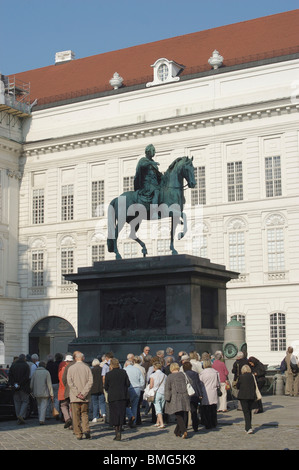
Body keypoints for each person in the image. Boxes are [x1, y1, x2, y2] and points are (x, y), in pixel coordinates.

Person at [67, 351, 93, 440]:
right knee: (84, 413)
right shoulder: (87, 368)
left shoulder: (71, 368)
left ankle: (78, 433)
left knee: (75, 415)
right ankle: (86, 429)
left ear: (75, 358)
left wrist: (77, 393)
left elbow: (69, 382)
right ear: (83, 358)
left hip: (75, 397)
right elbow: (90, 381)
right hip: (84, 397)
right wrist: (83, 393)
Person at [104, 358, 131, 441]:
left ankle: (116, 431)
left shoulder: (109, 374)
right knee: (121, 413)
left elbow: (106, 387)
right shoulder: (123, 372)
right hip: (122, 396)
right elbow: (128, 384)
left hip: (113, 396)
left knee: (114, 414)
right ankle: (120, 428)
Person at [164, 362, 190, 438]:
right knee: (182, 413)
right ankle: (177, 431)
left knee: (178, 415)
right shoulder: (183, 375)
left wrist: (167, 398)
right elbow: (190, 382)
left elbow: (167, 388)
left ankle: (184, 430)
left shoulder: (170, 377)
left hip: (175, 397)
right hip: (184, 396)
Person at [8, 353, 31, 424]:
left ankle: (18, 417)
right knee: (25, 401)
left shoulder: (13, 365)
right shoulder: (26, 365)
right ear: (24, 359)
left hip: (15, 387)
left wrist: (14, 384)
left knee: (17, 402)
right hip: (24, 387)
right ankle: (21, 416)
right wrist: (20, 384)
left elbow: (10, 376)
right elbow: (26, 377)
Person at [30, 361, 54, 425]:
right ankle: (41, 419)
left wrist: (31, 390)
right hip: (44, 392)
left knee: (39, 406)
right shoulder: (46, 372)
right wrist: (51, 393)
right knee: (43, 406)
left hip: (36, 392)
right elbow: (49, 384)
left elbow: (31, 383)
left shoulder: (35, 373)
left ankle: (40, 418)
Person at [199, 359, 220, 430]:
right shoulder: (215, 372)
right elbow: (218, 383)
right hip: (213, 391)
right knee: (213, 408)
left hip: (205, 392)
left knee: (206, 409)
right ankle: (214, 422)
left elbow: (200, 383)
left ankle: (207, 423)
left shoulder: (202, 373)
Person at [182, 362, 203, 432]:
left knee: (185, 411)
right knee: (194, 411)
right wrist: (200, 394)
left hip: (185, 394)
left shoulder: (182, 374)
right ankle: (195, 426)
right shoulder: (195, 374)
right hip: (194, 393)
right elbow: (198, 384)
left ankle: (185, 426)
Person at [236, 364, 257, 434]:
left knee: (246, 412)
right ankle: (247, 427)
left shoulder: (241, 377)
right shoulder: (252, 376)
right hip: (251, 395)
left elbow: (238, 386)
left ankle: (248, 427)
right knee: (249, 411)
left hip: (243, 396)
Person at [124, 359, 145, 427]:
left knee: (125, 405)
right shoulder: (137, 370)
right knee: (135, 406)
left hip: (128, 389)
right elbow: (142, 381)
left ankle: (131, 416)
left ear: (126, 364)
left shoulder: (125, 370)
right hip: (137, 388)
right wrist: (139, 386)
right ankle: (134, 422)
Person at [149, 361, 166, 428]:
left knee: (158, 409)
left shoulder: (152, 375)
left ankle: (162, 423)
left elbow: (151, 385)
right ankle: (157, 422)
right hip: (163, 392)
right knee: (161, 408)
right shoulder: (165, 375)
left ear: (155, 368)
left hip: (156, 392)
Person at [58, 354, 73, 428]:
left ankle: (67, 419)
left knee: (63, 405)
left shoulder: (62, 368)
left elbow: (62, 379)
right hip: (72, 390)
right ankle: (72, 421)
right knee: (71, 406)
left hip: (63, 389)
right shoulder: (74, 367)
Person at [46, 353, 63, 419]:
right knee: (56, 399)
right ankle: (56, 412)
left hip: (49, 383)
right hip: (56, 383)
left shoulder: (47, 366)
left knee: (49, 400)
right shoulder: (57, 365)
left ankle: (47, 414)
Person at [90, 358, 104, 423]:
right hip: (101, 388)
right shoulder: (102, 369)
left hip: (93, 389)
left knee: (95, 403)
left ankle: (95, 417)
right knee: (102, 402)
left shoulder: (92, 370)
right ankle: (104, 413)